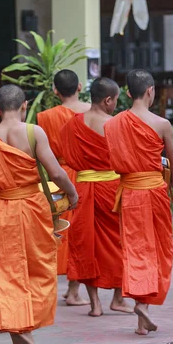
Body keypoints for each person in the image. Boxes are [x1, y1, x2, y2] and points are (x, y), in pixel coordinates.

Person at [0, 84, 78, 344]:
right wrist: (73, 194)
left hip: (1, 211)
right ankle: (24, 333)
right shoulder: (33, 132)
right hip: (32, 209)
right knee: (36, 270)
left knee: (6, 276)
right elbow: (56, 172)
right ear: (24, 105)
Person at [104, 69, 173, 335]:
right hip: (155, 192)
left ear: (126, 93)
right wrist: (169, 186)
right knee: (159, 249)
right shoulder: (162, 124)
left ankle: (141, 315)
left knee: (135, 248)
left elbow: (115, 161)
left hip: (128, 192)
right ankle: (144, 308)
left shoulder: (111, 124)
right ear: (150, 91)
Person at [60, 77, 133, 317]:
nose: (116, 106)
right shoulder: (116, 124)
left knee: (86, 244)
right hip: (110, 190)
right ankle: (118, 298)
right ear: (108, 100)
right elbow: (126, 160)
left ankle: (95, 305)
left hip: (83, 189)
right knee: (119, 241)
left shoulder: (73, 124)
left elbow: (68, 157)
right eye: (115, 101)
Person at [37, 69, 90, 306]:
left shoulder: (45, 117)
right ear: (79, 86)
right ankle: (74, 289)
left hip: (57, 177)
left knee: (60, 229)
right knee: (80, 230)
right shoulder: (93, 113)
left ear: (55, 91)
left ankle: (55, 288)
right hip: (87, 176)